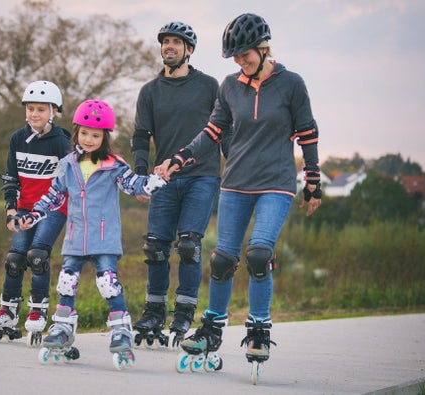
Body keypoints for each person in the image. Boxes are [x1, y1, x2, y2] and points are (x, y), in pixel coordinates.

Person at [157, 13, 323, 377]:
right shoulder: (230, 85)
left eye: (245, 55)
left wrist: (313, 181)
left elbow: (308, 133)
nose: (240, 62)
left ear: (264, 49)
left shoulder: (291, 84)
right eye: (235, 57)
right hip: (234, 183)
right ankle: (212, 328)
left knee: (259, 254)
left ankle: (259, 330)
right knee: (221, 260)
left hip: (277, 183)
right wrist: (180, 158)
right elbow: (213, 131)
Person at [21, 99, 167, 369]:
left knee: (107, 283)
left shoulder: (114, 166)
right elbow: (52, 196)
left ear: (105, 137)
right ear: (76, 133)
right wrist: (32, 215)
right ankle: (62, 327)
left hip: (104, 238)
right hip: (75, 238)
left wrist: (154, 182)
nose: (89, 139)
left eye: (96, 135)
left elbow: (133, 185)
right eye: (85, 133)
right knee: (66, 281)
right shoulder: (67, 164)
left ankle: (121, 328)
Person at [130, 21, 221, 348]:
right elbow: (141, 136)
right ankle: (154, 311)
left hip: (203, 176)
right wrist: (141, 176)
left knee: (188, 245)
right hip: (164, 179)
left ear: (189, 50)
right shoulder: (150, 91)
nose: (168, 47)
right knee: (155, 246)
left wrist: (236, 169)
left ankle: (183, 313)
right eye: (165, 42)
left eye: (176, 43)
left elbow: (225, 130)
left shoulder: (210, 87)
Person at [0, 80, 72, 347]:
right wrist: (11, 210)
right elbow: (11, 178)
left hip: (53, 208)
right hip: (24, 208)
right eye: (31, 108)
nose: (34, 114)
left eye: (41, 109)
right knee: (15, 258)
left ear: (53, 111)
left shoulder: (61, 142)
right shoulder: (17, 139)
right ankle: (8, 311)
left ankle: (38, 309)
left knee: (38, 255)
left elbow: (70, 179)